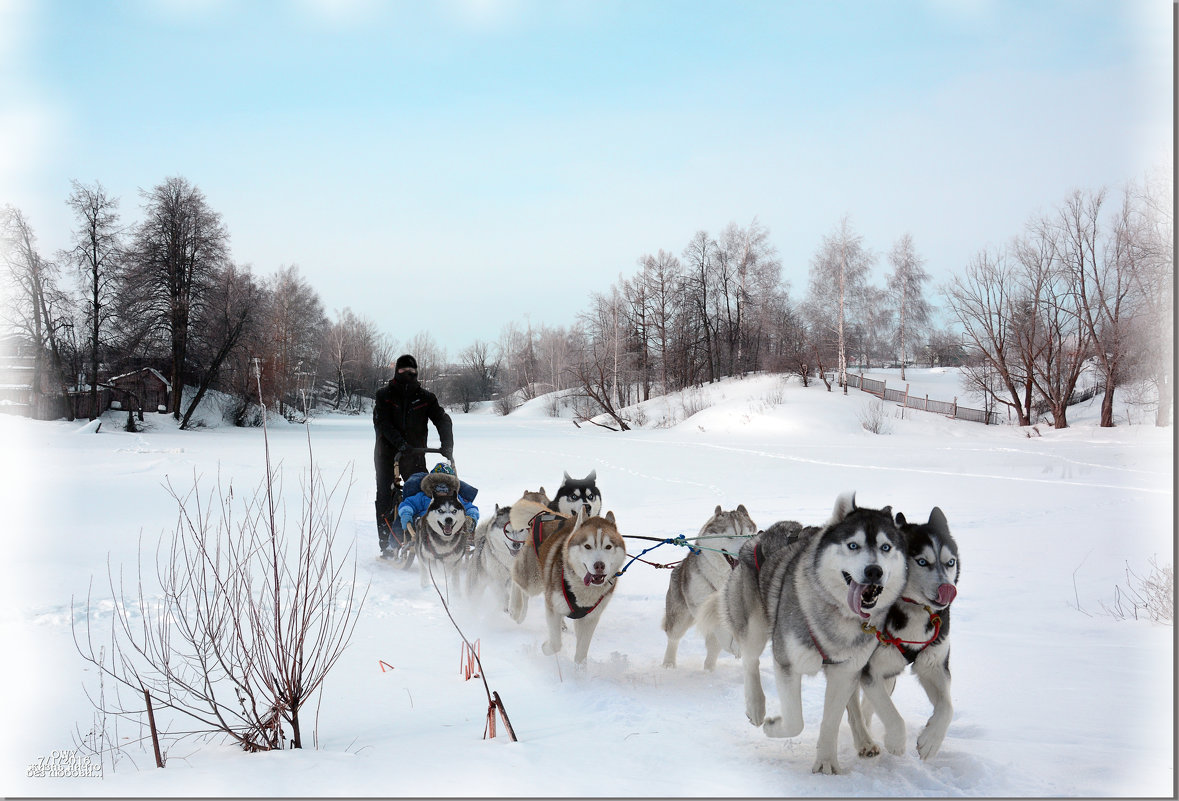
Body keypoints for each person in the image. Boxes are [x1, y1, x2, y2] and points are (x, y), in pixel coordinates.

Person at [373, 354, 454, 555]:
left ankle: (424, 537)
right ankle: (387, 544)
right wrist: (400, 444)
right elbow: (382, 424)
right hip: (387, 454)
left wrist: (447, 445)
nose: (408, 375)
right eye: (403, 371)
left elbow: (443, 420)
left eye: (412, 372)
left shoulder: (425, 398)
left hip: (415, 454)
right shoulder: (384, 395)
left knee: (423, 493)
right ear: (396, 372)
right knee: (385, 495)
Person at [396, 462, 479, 538]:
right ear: (431, 487)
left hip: (451, 532)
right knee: (419, 520)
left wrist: (471, 517)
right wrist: (406, 513)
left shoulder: (456, 499)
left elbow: (470, 508)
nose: (441, 491)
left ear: (451, 488)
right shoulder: (423, 497)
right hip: (424, 532)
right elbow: (409, 504)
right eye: (438, 487)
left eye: (445, 488)